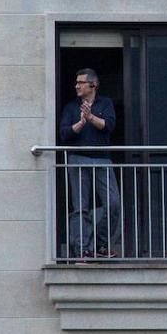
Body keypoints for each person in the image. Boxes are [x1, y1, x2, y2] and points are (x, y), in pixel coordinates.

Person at [58, 68, 120, 259]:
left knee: (113, 203)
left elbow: (109, 126)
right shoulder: (71, 107)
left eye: (81, 82)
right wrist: (81, 123)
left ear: (93, 85)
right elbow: (64, 134)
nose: (77, 86)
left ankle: (101, 243)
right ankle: (83, 249)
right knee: (80, 207)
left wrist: (91, 117)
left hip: (102, 158)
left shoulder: (105, 103)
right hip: (78, 158)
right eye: (76, 82)